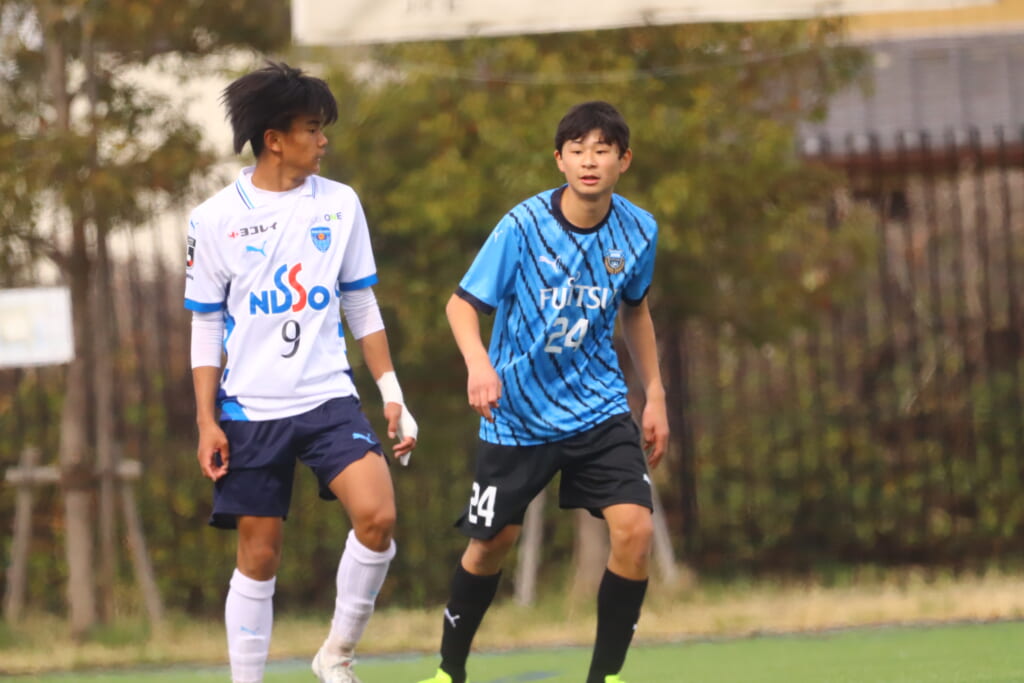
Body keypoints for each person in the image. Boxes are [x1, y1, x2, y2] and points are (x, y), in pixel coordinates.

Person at [418, 101, 669, 683]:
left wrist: (654, 392)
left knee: (635, 531)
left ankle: (605, 677)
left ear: (624, 160)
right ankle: (449, 671)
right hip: (517, 416)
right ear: (559, 160)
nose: (590, 161)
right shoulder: (522, 227)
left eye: (602, 150)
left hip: (598, 408)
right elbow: (461, 306)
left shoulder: (639, 230)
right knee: (491, 544)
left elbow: (635, 310)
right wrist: (479, 365)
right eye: (578, 150)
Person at [183, 61, 417, 683]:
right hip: (250, 411)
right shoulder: (213, 219)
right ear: (274, 140)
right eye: (312, 128)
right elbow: (206, 325)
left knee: (379, 516)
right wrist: (206, 421)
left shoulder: (340, 204)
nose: (323, 140)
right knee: (259, 555)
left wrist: (391, 392)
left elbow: (360, 302)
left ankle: (336, 654)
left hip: (328, 400)